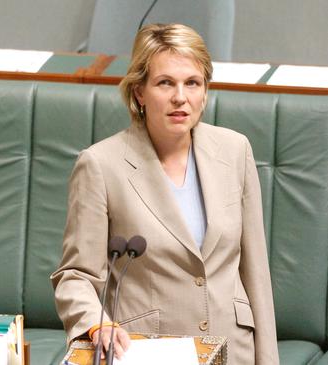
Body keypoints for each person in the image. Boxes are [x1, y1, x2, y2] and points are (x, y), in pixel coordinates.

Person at [51, 23, 279, 364]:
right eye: (165, 83)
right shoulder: (100, 165)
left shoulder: (235, 150)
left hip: (235, 351)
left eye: (192, 83)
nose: (180, 97)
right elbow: (76, 276)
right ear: (139, 92)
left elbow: (256, 272)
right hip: (150, 352)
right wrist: (96, 326)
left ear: (205, 91)